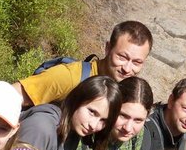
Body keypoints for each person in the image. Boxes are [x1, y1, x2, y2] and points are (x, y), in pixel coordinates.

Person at [13, 21, 153, 107]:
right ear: (108, 48)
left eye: (137, 62)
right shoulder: (69, 77)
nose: (127, 69)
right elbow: (9, 96)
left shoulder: (124, 92)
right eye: (122, 57)